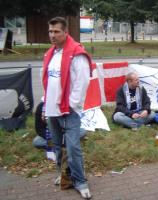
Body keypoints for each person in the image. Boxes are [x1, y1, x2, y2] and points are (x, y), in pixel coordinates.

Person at [42, 17, 92, 199]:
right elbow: (48, 83)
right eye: (50, 31)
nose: (52, 35)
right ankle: (63, 174)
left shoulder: (77, 54)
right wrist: (44, 106)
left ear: (65, 32)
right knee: (56, 146)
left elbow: (82, 82)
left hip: (69, 110)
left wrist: (70, 106)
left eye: (56, 31)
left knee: (72, 148)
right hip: (51, 109)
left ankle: (80, 181)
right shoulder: (50, 54)